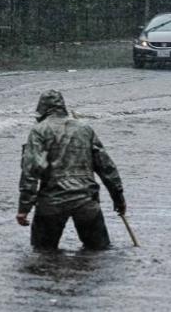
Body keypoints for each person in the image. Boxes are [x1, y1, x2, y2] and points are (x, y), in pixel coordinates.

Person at [16, 89, 126, 250]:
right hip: (86, 200)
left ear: (41, 108)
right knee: (98, 253)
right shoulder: (85, 129)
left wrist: (24, 208)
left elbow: (31, 170)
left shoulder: (39, 130)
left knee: (42, 255)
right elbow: (106, 167)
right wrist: (118, 197)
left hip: (51, 202)